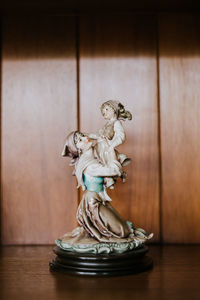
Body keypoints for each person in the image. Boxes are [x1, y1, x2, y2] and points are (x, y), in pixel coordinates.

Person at [61, 131, 134, 243]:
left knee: (125, 228)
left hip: (100, 199)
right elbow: (114, 170)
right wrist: (111, 150)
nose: (85, 139)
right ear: (78, 148)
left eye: (83, 135)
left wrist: (97, 138)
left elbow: (101, 139)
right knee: (122, 231)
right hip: (93, 203)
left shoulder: (94, 153)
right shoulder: (89, 165)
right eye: (80, 140)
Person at [88, 100, 132, 188]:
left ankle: (110, 179)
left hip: (105, 147)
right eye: (103, 112)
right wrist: (88, 135)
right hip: (99, 146)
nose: (104, 113)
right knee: (97, 161)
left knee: (106, 161)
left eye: (107, 109)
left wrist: (112, 145)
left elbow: (121, 136)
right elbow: (99, 135)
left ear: (114, 110)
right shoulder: (107, 124)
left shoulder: (116, 123)